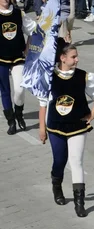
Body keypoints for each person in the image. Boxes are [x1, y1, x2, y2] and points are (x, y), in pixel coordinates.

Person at [38, 39, 94, 218]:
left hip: (77, 126)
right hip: (56, 126)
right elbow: (43, 103)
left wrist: (93, 114)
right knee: (60, 160)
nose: (77, 60)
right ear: (62, 58)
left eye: (77, 57)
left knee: (76, 162)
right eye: (73, 57)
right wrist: (42, 128)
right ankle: (57, 185)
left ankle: (79, 203)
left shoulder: (84, 76)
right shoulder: (49, 76)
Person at [0, 0, 36, 135]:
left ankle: (19, 113)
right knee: (4, 90)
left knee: (20, 90)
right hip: (1, 59)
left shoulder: (18, 13)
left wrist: (28, 48)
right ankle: (11, 121)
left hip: (17, 57)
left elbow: (33, 30)